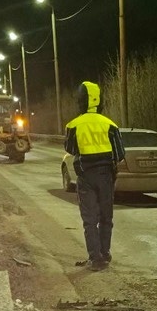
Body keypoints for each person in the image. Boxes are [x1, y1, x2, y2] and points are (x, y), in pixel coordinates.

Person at [64, 81, 124, 270]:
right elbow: (120, 153)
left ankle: (95, 258)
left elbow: (70, 149)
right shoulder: (110, 125)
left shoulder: (74, 125)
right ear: (100, 101)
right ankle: (105, 253)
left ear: (81, 101)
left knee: (90, 220)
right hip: (106, 177)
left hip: (85, 177)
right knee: (106, 217)